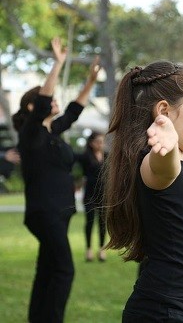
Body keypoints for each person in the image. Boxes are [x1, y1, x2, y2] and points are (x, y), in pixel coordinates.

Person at [104, 60, 183, 322]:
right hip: (164, 313)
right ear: (164, 110)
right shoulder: (154, 165)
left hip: (177, 312)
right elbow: (165, 164)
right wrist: (169, 145)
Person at [12, 37, 100, 323]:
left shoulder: (53, 132)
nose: (54, 101)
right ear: (31, 108)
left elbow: (74, 110)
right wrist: (58, 63)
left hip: (57, 213)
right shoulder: (32, 135)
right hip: (45, 212)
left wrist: (90, 81)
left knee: (48, 269)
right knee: (64, 270)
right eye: (47, 100)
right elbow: (42, 103)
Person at [74, 131, 107, 262]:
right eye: (98, 142)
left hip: (104, 193)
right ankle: (88, 249)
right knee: (89, 221)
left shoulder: (107, 155)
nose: (100, 144)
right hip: (90, 194)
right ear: (91, 143)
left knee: (103, 223)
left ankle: (102, 249)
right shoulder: (85, 156)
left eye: (102, 142)